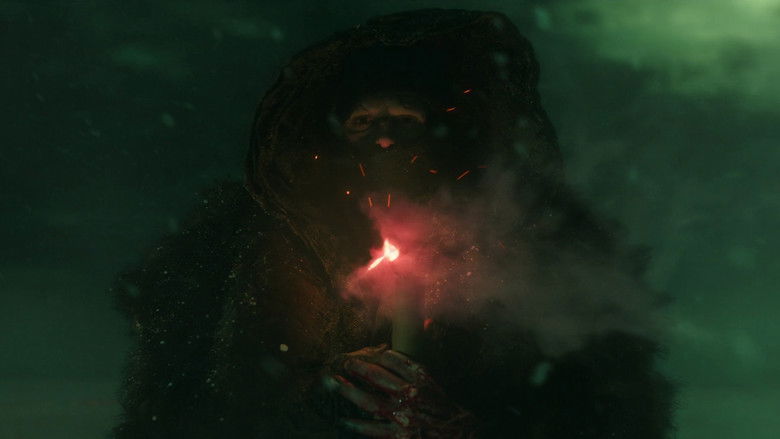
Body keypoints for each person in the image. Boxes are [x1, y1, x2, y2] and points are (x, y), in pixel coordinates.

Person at [112, 9, 674, 438]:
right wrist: (326, 393)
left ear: (438, 132)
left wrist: (472, 425)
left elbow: (583, 393)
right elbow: (234, 394)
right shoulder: (281, 237)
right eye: (364, 122)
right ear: (337, 137)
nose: (384, 139)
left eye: (403, 120)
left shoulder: (521, 238)